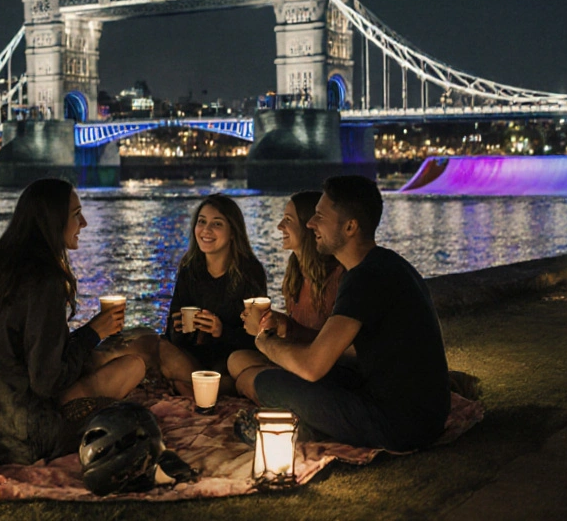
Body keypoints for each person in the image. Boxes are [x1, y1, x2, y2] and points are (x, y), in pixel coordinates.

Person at [0, 178, 145, 464]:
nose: (83, 223)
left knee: (105, 363)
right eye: (75, 215)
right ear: (52, 221)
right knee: (132, 370)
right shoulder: (44, 279)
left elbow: (22, 354)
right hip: (16, 437)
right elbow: (47, 381)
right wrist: (93, 332)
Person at [243, 175, 450, 452]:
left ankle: (304, 428)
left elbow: (312, 366)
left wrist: (265, 342)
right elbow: (348, 350)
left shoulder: (364, 278)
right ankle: (310, 426)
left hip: (399, 426)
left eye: (319, 216)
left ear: (350, 227)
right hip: (424, 415)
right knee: (310, 378)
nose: (310, 224)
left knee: (269, 382)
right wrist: (291, 330)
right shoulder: (388, 264)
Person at [228, 190, 344, 403]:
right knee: (236, 360)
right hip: (295, 359)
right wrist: (274, 324)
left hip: (323, 371)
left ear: (309, 226)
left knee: (245, 379)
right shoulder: (296, 273)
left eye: (288, 220)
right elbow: (293, 333)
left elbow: (331, 348)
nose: (280, 226)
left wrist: (284, 328)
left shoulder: (337, 278)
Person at [159, 194, 267, 396]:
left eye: (217, 224)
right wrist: (179, 329)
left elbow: (258, 339)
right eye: (202, 222)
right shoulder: (190, 269)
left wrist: (220, 330)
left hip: (229, 360)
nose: (206, 230)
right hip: (193, 359)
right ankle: (206, 387)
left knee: (237, 365)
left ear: (233, 232)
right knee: (156, 347)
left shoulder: (250, 272)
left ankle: (201, 387)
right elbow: (171, 336)